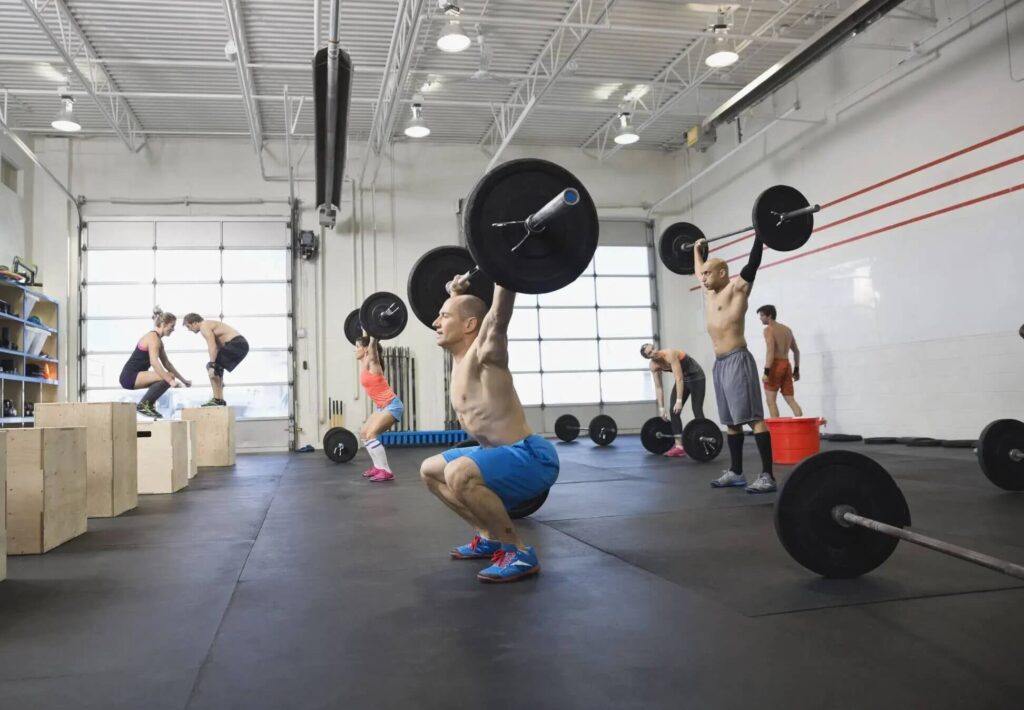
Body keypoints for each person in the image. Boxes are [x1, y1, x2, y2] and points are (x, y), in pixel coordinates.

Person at [419, 276, 558, 583]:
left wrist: (504, 271)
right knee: (430, 470)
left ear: (470, 325)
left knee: (458, 472)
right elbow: (468, 311)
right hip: (493, 452)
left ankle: (518, 551)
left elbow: (497, 317)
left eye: (444, 316)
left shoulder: (486, 355)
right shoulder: (459, 358)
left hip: (531, 457)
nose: (435, 322)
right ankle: (489, 537)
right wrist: (455, 295)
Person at [693, 236, 776, 494]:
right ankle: (736, 472)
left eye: (709, 273)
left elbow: (752, 265)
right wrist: (696, 251)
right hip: (720, 364)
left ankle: (767, 476)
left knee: (753, 417)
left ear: (722, 272)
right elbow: (697, 272)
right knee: (730, 421)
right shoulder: (709, 294)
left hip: (738, 360)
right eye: (703, 274)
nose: (704, 278)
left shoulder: (737, 289)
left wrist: (760, 236)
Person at [119, 308, 190, 418]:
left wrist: (183, 380)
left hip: (137, 376)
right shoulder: (153, 338)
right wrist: (170, 380)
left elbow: (167, 364)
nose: (173, 329)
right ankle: (144, 405)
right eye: (172, 326)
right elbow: (154, 362)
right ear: (164, 324)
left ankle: (148, 405)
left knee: (169, 376)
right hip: (129, 376)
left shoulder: (158, 341)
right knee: (168, 377)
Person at [640, 343, 706, 457]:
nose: (654, 352)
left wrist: (679, 401)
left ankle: (704, 439)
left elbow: (679, 378)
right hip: (683, 379)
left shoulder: (669, 354)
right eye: (650, 353)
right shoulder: (654, 366)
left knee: (697, 409)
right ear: (648, 357)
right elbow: (658, 387)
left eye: (653, 349)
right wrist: (661, 407)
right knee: (673, 411)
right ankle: (679, 447)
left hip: (696, 377)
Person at [354, 334, 404, 483]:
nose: (355, 350)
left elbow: (372, 346)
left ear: (366, 349)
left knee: (371, 435)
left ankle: (386, 471)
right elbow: (366, 336)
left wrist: (374, 336)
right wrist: (366, 328)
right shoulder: (365, 364)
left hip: (392, 405)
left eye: (357, 347)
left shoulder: (374, 364)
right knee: (364, 433)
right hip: (381, 407)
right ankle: (377, 467)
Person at [182, 314, 249, 407]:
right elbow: (218, 348)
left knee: (211, 366)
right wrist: (215, 367)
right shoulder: (209, 325)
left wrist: (212, 365)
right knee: (217, 367)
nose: (189, 330)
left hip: (237, 344)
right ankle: (219, 398)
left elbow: (212, 346)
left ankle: (217, 399)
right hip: (240, 344)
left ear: (194, 323)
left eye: (188, 327)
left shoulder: (204, 326)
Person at [757, 305, 803, 418]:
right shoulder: (787, 330)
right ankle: (801, 428)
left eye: (762, 315)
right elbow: (796, 351)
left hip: (775, 366)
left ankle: (776, 434)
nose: (760, 318)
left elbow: (770, 352)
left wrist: (766, 372)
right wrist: (796, 370)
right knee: (791, 400)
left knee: (771, 402)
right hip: (786, 365)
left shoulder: (768, 330)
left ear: (770, 315)